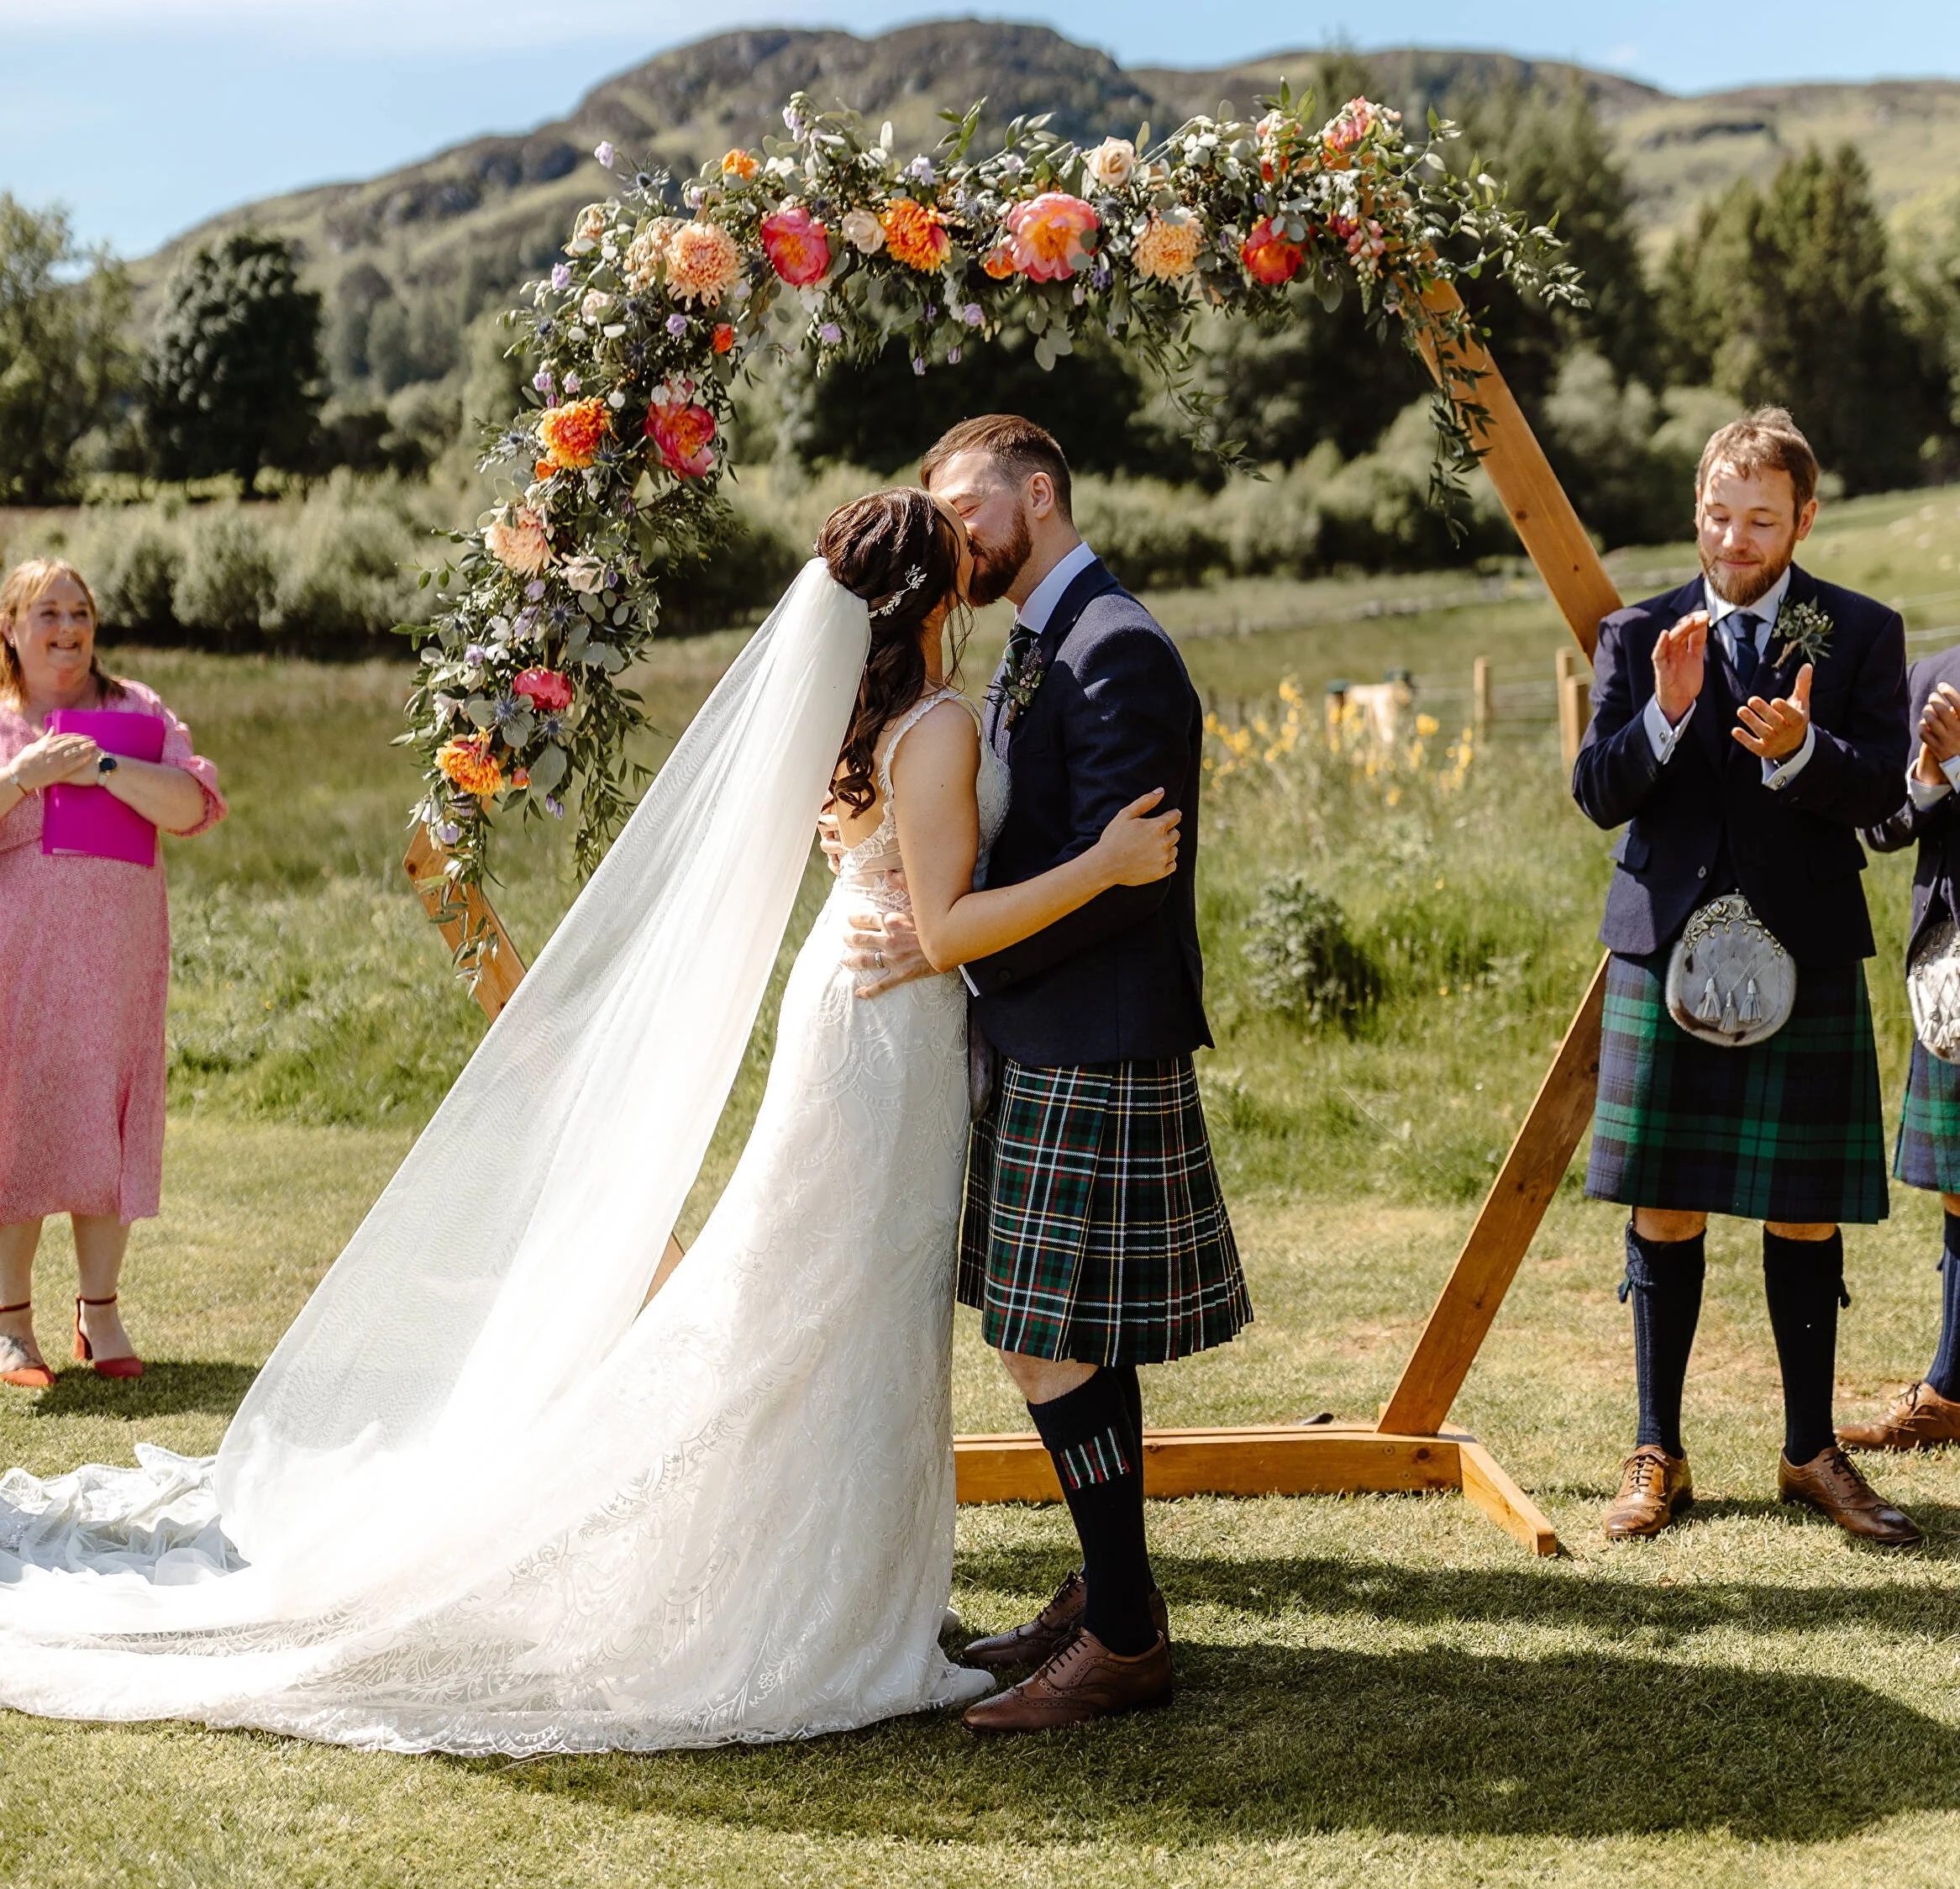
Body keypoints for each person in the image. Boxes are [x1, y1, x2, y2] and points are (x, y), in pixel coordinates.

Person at [0, 492, 1181, 1755]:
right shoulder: (936, 724)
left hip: (855, 999)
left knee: (821, 1300)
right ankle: (817, 1599)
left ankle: (845, 1583)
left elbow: (903, 885)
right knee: (835, 1303)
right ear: (934, 596)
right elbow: (942, 928)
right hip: (888, 1029)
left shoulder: (857, 714)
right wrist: (1101, 867)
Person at [850, 413, 1248, 1733]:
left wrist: (959, 943)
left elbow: (1132, 874)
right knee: (1066, 1333)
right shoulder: (1041, 636)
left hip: (1092, 1027)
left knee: (1033, 1340)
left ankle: (1128, 1639)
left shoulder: (1116, 646)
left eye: (968, 505)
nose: (954, 533)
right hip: (1045, 1023)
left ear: (1038, 492)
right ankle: (1108, 1588)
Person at [1573, 409, 1918, 1545]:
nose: (1733, 538)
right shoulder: (1639, 634)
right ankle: (1654, 1450)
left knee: (1804, 1212)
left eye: (1760, 519)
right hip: (1664, 947)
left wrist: (1801, 755)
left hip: (1803, 948)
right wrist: (1668, 718)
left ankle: (1810, 1451)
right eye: (1718, 514)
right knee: (1666, 1208)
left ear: (1802, 520)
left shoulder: (1857, 631)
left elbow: (1881, 796)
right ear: (1697, 508)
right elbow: (1599, 793)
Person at [0, 559, 226, 1389]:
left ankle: (100, 1313)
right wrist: (28, 773)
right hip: (18, 968)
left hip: (120, 965)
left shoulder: (136, 709)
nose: (68, 626)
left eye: (80, 610)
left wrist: (101, 766)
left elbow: (192, 806)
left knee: (107, 1124)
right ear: (12, 630)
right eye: (46, 612)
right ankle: (11, 1324)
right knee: (19, 1124)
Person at [1840, 650, 1960, 1452]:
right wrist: (1926, 774)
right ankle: (1950, 1393)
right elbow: (1881, 823)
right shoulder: (1935, 676)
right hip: (1953, 971)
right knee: (1958, 1186)